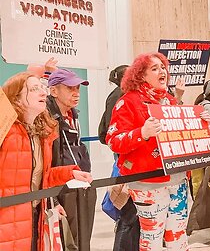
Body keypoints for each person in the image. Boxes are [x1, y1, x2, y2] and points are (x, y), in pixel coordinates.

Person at [106, 52, 209, 251]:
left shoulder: (169, 101)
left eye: (163, 67)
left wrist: (200, 122)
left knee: (178, 237)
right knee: (152, 237)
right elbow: (113, 140)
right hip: (147, 183)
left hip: (177, 179)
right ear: (140, 75)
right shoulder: (128, 102)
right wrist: (141, 133)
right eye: (154, 68)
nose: (162, 70)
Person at [0, 72, 92, 251]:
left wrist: (69, 173)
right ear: (16, 98)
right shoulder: (7, 132)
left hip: (35, 215)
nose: (43, 93)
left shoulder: (42, 133)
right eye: (34, 89)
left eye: (42, 88)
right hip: (8, 219)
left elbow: (40, 177)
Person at [46, 69, 97, 249]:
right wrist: (53, 198)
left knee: (83, 238)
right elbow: (48, 160)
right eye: (70, 88)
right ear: (54, 91)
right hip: (60, 186)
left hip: (80, 182)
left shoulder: (73, 115)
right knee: (65, 240)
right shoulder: (46, 118)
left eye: (77, 88)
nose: (76, 93)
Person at [98, 65, 141, 251]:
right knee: (128, 211)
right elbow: (111, 133)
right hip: (127, 158)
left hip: (134, 158)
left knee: (134, 213)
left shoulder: (126, 95)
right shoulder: (119, 96)